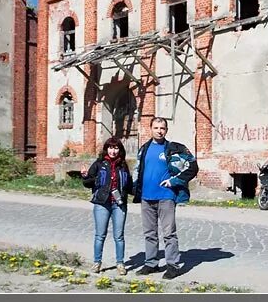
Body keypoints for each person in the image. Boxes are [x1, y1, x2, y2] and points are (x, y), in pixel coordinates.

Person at [132, 117, 198, 280]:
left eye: (162, 128)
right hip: (146, 197)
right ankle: (151, 263)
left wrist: (174, 181)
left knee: (169, 233)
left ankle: (173, 266)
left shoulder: (174, 149)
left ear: (166, 130)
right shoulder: (144, 149)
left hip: (166, 197)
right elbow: (137, 169)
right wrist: (134, 188)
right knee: (149, 233)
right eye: (156, 128)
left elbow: (193, 166)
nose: (159, 131)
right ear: (150, 129)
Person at [81, 137, 133, 276]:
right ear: (106, 149)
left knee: (119, 236)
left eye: (116, 148)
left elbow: (129, 185)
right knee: (100, 235)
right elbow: (88, 183)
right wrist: (85, 177)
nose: (113, 151)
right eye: (110, 148)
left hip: (119, 204)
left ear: (120, 150)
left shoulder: (123, 165)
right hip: (102, 203)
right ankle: (97, 262)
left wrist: (140, 193)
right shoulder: (99, 164)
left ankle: (120, 263)